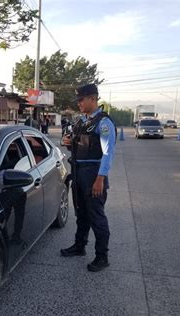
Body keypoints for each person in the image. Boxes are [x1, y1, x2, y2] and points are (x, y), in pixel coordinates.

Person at [60, 83, 116, 272]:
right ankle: (79, 246)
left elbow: (108, 153)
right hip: (78, 172)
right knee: (81, 213)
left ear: (93, 98)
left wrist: (100, 178)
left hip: (93, 174)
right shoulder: (81, 121)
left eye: (82, 100)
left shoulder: (104, 123)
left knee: (96, 217)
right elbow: (77, 144)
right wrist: (67, 142)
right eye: (78, 100)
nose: (79, 104)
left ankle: (102, 257)